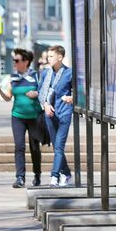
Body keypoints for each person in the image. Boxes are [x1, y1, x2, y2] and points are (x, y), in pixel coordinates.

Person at [0, 48, 43, 188]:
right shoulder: (13, 78)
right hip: (18, 117)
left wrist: (37, 93)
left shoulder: (35, 76)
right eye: (14, 60)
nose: (14, 63)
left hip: (34, 116)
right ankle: (20, 177)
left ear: (26, 62)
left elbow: (44, 92)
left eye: (17, 60)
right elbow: (8, 97)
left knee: (35, 147)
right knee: (19, 146)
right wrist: (0, 92)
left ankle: (37, 175)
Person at [39, 45, 73, 187]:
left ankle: (54, 176)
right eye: (48, 56)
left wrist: (72, 98)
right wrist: (46, 105)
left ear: (60, 57)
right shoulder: (45, 73)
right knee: (56, 147)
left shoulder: (70, 73)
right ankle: (67, 173)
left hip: (64, 113)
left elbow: (79, 92)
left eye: (51, 56)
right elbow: (40, 92)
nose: (48, 58)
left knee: (59, 146)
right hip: (49, 115)